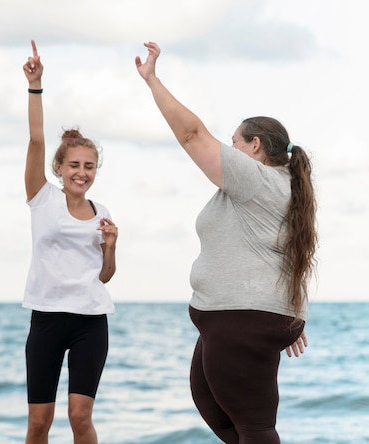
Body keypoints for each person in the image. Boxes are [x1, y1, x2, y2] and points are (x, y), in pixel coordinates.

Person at [135, 42, 317, 443]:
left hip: (242, 318)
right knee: (217, 409)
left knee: (253, 427)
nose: (229, 149)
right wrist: (283, 310)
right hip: (242, 317)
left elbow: (191, 134)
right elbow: (280, 251)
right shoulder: (278, 187)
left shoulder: (257, 178)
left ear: (255, 146)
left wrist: (152, 81)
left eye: (235, 141)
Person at [22, 40, 118, 444]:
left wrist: (111, 247)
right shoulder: (42, 197)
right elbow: (37, 140)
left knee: (80, 416)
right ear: (59, 168)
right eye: (74, 165)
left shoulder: (103, 211)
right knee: (39, 423)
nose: (82, 173)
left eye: (89, 166)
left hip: (91, 321)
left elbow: (106, 276)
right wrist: (36, 86)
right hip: (47, 318)